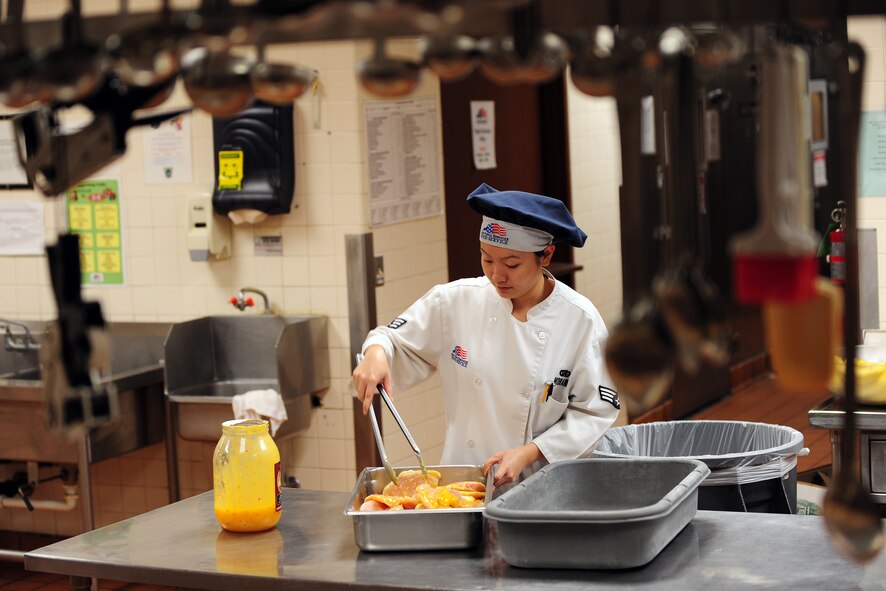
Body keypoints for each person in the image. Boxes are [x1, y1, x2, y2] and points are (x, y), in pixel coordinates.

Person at [352, 183, 621, 486]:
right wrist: (376, 353)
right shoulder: (455, 301)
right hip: (461, 485)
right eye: (487, 259)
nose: (496, 275)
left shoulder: (580, 321)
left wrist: (531, 452)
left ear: (545, 256)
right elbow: (391, 339)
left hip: (540, 486)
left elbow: (595, 412)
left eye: (512, 264)